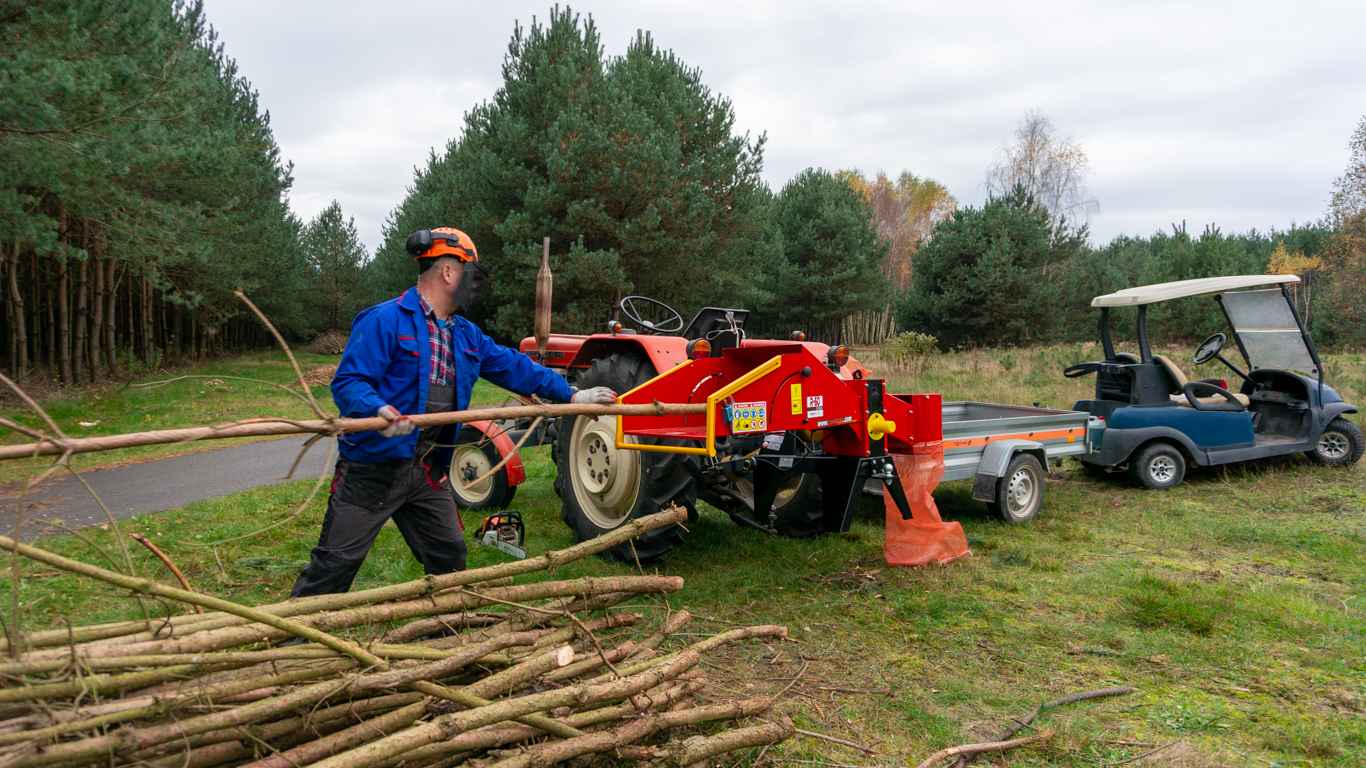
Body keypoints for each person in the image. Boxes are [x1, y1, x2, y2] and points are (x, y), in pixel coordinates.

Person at [291, 227, 616, 597]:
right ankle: (296, 640)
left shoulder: (465, 334)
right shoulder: (383, 321)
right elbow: (349, 383)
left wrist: (572, 396)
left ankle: (444, 625)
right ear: (449, 272)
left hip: (427, 470)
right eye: (471, 275)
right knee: (335, 562)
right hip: (372, 469)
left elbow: (515, 366)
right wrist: (378, 410)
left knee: (448, 554)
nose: (475, 286)